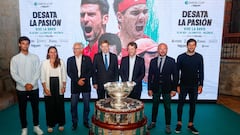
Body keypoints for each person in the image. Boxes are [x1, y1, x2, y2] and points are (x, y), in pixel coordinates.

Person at [113, 0, 158, 81]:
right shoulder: (109, 46)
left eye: (145, 12)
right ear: (120, 17)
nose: (142, 17)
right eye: (135, 13)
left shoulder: (152, 47)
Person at [10, 36, 44, 135]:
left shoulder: (35, 57)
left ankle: (36, 127)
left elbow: (38, 71)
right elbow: (13, 73)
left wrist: (31, 84)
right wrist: (25, 84)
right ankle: (24, 128)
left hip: (34, 88)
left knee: (35, 108)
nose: (25, 45)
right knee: (22, 109)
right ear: (19, 45)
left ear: (29, 45)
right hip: (21, 89)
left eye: (27, 43)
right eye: (23, 43)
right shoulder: (15, 59)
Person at [175, 38, 204, 135]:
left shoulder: (199, 57)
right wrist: (177, 85)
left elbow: (201, 71)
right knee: (180, 105)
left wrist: (201, 85)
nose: (191, 47)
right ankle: (179, 123)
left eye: (193, 45)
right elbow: (176, 72)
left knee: (193, 105)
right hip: (183, 85)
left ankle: (190, 124)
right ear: (187, 46)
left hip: (195, 86)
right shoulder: (181, 57)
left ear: (195, 46)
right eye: (189, 45)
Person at [147, 43, 178, 134]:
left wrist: (174, 89)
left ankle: (168, 125)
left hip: (167, 88)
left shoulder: (172, 61)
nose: (162, 50)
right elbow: (150, 76)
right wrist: (149, 88)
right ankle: (153, 122)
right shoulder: (153, 61)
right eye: (160, 48)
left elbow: (175, 76)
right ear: (158, 50)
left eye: (164, 49)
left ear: (167, 50)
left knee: (167, 107)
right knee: (154, 106)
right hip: (155, 87)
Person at [40, 46, 67, 133]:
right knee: (49, 106)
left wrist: (64, 86)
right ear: (48, 53)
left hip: (58, 85)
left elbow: (64, 76)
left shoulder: (61, 62)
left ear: (57, 53)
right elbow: (42, 77)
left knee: (60, 105)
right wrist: (45, 88)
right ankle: (50, 124)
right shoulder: (44, 63)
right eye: (51, 52)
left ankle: (61, 123)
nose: (53, 54)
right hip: (48, 85)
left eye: (54, 52)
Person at [67, 42, 93, 130]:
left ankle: (86, 121)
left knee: (87, 105)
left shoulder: (88, 59)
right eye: (74, 48)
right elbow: (69, 72)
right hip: (75, 85)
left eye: (77, 48)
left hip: (85, 85)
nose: (75, 50)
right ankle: (74, 122)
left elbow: (91, 71)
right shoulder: (70, 60)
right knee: (73, 105)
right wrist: (77, 80)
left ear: (82, 50)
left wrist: (83, 79)